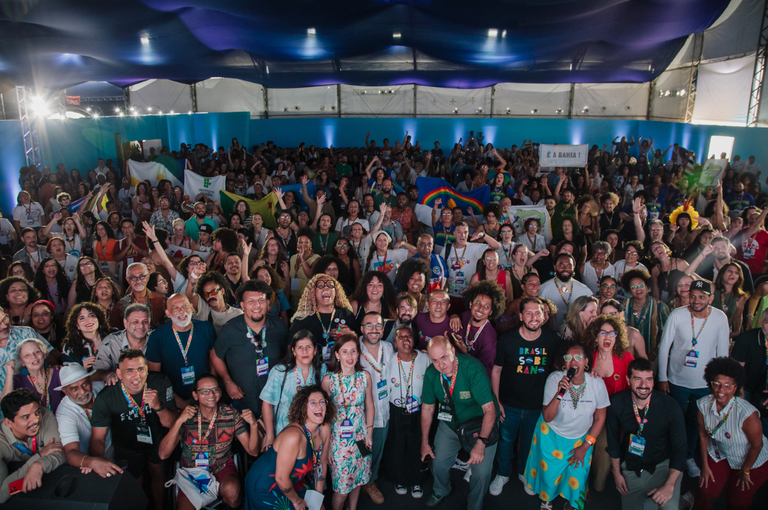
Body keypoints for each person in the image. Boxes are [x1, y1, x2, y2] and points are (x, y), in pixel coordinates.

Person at [657, 279, 730, 478]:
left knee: (695, 422)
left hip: (704, 384)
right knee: (673, 419)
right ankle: (669, 456)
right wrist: (663, 378)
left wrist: (719, 384)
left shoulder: (720, 317)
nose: (696, 300)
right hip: (677, 380)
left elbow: (723, 352)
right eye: (693, 296)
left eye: (702, 297)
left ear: (711, 298)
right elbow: (665, 347)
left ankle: (687, 457)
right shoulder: (677, 315)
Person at [490, 297, 562, 496]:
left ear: (544, 316)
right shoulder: (507, 339)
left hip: (537, 406)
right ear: (520, 316)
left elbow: (560, 370)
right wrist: (496, 401)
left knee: (529, 442)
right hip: (509, 404)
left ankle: (524, 472)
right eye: (528, 313)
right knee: (505, 441)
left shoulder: (553, 340)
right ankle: (503, 474)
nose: (533, 317)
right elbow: (496, 371)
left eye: (537, 312)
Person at [524, 340, 609, 510]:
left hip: (581, 439)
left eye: (578, 357)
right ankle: (547, 499)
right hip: (552, 436)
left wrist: (585, 446)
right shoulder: (554, 379)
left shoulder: (597, 383)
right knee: (549, 475)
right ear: (564, 363)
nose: (573, 361)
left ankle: (572, 502)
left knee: (578, 475)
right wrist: (559, 392)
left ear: (586, 362)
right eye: (568, 358)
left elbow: (600, 418)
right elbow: (547, 417)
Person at [89, 350, 176, 510]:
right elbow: (98, 438)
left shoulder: (160, 381)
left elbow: (172, 424)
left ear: (147, 369)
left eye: (140, 369)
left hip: (157, 439)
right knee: (134, 480)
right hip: (126, 445)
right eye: (129, 371)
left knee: (157, 471)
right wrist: (97, 462)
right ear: (119, 373)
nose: (136, 376)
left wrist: (158, 407)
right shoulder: (106, 396)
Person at [159, 374, 261, 510]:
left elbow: (253, 451)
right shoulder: (186, 416)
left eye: (215, 389)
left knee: (233, 490)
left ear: (220, 392)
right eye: (204, 391)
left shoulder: (231, 414)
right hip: (192, 474)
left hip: (222, 467)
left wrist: (253, 425)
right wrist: (178, 421)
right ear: (195, 395)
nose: (211, 394)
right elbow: (163, 454)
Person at [420, 335, 499, 510]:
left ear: (453, 352)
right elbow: (427, 408)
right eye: (435, 360)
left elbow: (489, 410)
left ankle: (474, 505)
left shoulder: (472, 368)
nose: (441, 364)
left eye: (444, 357)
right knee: (438, 462)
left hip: (480, 425)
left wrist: (481, 443)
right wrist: (425, 442)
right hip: (451, 424)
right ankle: (441, 489)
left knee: (481, 472)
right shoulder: (432, 374)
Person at [605, 358, 687, 510]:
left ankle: (677, 497)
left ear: (653, 382)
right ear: (628, 380)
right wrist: (617, 474)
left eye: (648, 379)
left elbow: (680, 449)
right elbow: (613, 442)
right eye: (638, 379)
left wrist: (669, 485)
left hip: (663, 466)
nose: (644, 385)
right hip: (631, 467)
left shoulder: (670, 406)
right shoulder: (616, 403)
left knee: (669, 507)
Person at [694, 358, 768, 510]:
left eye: (727, 385)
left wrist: (746, 470)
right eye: (717, 384)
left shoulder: (747, 415)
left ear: (735, 388)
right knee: (705, 491)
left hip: (752, 461)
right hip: (722, 453)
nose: (721, 390)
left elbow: (757, 445)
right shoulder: (703, 405)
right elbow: (702, 436)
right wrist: (705, 466)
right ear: (710, 384)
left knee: (737, 502)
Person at [245, 385, 333, 510]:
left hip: (292, 481)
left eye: (322, 402)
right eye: (313, 403)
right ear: (303, 408)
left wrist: (317, 497)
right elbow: (281, 478)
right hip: (267, 485)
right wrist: (297, 501)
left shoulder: (324, 428)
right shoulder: (293, 437)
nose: (319, 406)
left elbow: (321, 463)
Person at [212, 280, 290, 419]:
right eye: (251, 301)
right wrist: (227, 381)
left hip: (276, 400)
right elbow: (215, 356)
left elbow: (289, 354)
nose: (257, 306)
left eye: (261, 300)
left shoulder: (279, 326)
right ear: (242, 305)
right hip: (242, 402)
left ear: (268, 304)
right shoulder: (230, 329)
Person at [321, 334, 375, 510]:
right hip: (338, 441)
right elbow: (323, 416)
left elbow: (369, 405)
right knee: (342, 489)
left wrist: (370, 433)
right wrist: (327, 446)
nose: (350, 356)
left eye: (353, 351)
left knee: (359, 480)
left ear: (358, 354)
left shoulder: (364, 376)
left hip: (361, 438)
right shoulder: (329, 380)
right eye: (345, 352)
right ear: (337, 354)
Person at [586, 315, 635, 492]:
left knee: (603, 457)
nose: (608, 337)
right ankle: (580, 486)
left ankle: (597, 486)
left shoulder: (627, 358)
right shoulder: (587, 358)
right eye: (603, 333)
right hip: (587, 415)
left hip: (613, 419)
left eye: (612, 333)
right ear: (595, 336)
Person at [383, 325, 430, 498]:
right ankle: (400, 479)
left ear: (414, 339)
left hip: (419, 410)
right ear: (395, 343)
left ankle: (417, 480)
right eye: (400, 337)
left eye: (408, 335)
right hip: (395, 410)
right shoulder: (389, 359)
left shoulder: (424, 358)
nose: (405, 339)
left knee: (417, 445)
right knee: (396, 446)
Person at [146, 294, 215, 408]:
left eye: (185, 306)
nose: (182, 311)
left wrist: (210, 390)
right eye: (175, 308)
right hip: (172, 399)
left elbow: (214, 360)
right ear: (168, 313)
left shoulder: (206, 328)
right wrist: (176, 401)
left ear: (192, 308)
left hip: (206, 395)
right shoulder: (157, 336)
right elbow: (155, 377)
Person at [261, 330, 327, 448]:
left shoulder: (322, 369)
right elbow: (267, 403)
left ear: (315, 350)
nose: (305, 351)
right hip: (285, 431)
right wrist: (270, 436)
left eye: (309, 347)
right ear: (293, 351)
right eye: (300, 347)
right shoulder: (280, 371)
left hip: (314, 433)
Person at [55, 364, 123, 476]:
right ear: (65, 391)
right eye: (74, 389)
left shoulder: (100, 388)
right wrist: (92, 462)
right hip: (90, 470)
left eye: (85, 384)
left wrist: (109, 375)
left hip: (115, 454)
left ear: (91, 381)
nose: (82, 392)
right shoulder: (64, 414)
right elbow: (71, 452)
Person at [0, 389, 65, 503]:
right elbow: (1, 494)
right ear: (8, 423)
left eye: (37, 412)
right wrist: (38, 457)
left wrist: (39, 465)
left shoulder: (45, 415)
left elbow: (59, 452)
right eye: (25, 417)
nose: (35, 420)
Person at [358, 311, 394, 504]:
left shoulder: (389, 348)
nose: (374, 329)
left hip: (383, 411)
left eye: (378, 326)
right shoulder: (352, 348)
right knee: (361, 450)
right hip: (359, 414)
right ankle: (358, 481)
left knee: (377, 449)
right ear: (362, 328)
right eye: (369, 325)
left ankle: (370, 482)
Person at [289, 274, 358, 361]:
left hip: (341, 371)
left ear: (336, 291)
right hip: (312, 371)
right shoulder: (302, 318)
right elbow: (290, 350)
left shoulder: (346, 314)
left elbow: (362, 345)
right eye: (320, 286)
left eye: (330, 285)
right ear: (313, 292)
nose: (326, 288)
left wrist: (352, 335)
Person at [441, 222, 500, 314]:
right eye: (459, 232)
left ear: (468, 234)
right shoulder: (446, 249)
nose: (462, 235)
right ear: (454, 234)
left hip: (469, 297)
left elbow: (497, 246)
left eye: (465, 232)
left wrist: (483, 235)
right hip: (450, 296)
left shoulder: (474, 247)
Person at [451, 279, 504, 376]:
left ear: (491, 312)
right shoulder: (466, 316)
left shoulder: (490, 339)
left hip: (472, 376)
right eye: (478, 303)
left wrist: (465, 353)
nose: (480, 309)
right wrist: (454, 316)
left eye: (486, 307)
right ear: (471, 304)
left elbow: (483, 371)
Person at [731, 307, 768, 436]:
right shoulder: (746, 338)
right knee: (742, 422)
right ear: (761, 322)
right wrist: (741, 400)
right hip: (745, 386)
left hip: (765, 390)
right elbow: (736, 371)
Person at [2, 338, 64, 413]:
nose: (34, 357)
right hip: (34, 423)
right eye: (27, 355)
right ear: (22, 362)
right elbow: (5, 404)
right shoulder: (18, 380)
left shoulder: (59, 373)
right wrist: (9, 374)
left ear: (44, 354)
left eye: (37, 352)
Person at [622, 269, 670, 361]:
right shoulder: (624, 305)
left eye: (641, 285)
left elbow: (665, 334)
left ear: (647, 287)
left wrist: (654, 353)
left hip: (653, 356)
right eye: (633, 287)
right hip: (629, 356)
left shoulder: (660, 306)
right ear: (629, 290)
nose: (638, 289)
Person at [538, 253, 593, 329]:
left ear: (573, 267)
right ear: (555, 267)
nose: (565, 268)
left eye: (569, 265)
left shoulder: (585, 290)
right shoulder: (543, 288)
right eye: (561, 265)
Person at [61, 302, 110, 369]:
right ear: (77, 325)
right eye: (82, 318)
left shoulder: (113, 337)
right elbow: (69, 376)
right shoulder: (70, 347)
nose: (88, 320)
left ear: (98, 319)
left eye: (91, 315)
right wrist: (84, 370)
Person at [118, 262, 167, 329]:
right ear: (128, 280)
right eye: (133, 277)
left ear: (148, 276)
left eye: (142, 276)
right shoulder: (120, 306)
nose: (138, 280)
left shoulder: (162, 301)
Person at [711, 262, 748, 337]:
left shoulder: (740, 296)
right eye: (729, 271)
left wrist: (737, 331)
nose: (732, 274)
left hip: (725, 332)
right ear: (722, 273)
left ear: (739, 277)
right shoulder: (712, 287)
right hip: (708, 328)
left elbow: (737, 316)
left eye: (736, 273)